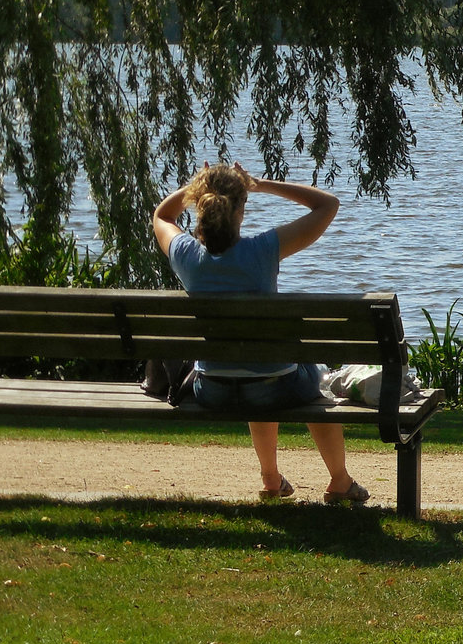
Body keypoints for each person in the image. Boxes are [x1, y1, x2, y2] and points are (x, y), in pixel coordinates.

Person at [152, 162, 368, 505]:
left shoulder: (186, 255)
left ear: (200, 205)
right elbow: (328, 204)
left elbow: (161, 217)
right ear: (240, 209)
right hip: (272, 388)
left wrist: (197, 185)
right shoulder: (263, 250)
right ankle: (340, 481)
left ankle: (271, 478)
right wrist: (259, 183)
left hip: (212, 389)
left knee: (257, 371)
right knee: (306, 379)